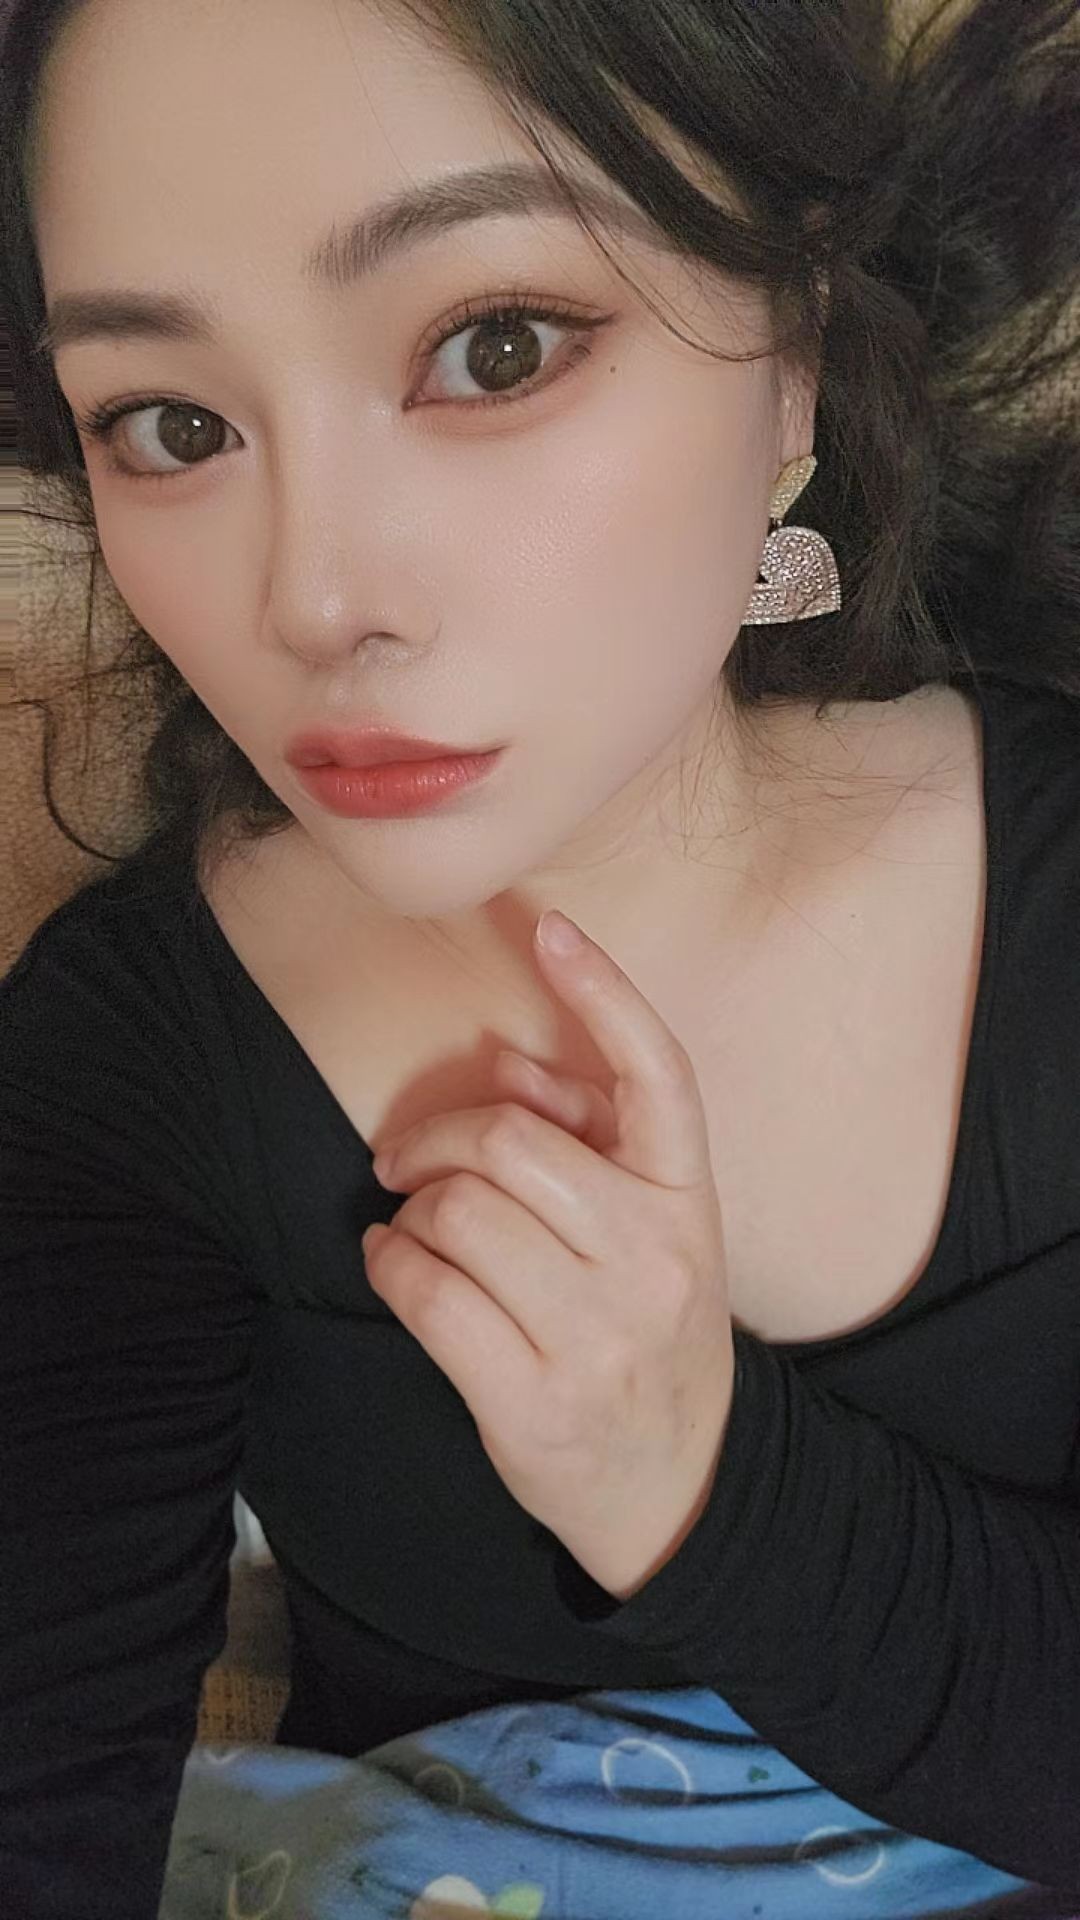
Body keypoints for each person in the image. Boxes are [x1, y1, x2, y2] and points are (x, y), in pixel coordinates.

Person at [3, 0, 1080, 1911]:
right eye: (174, 426)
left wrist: (701, 1480)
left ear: (795, 362)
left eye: (494, 348)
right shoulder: (127, 1052)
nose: (315, 598)